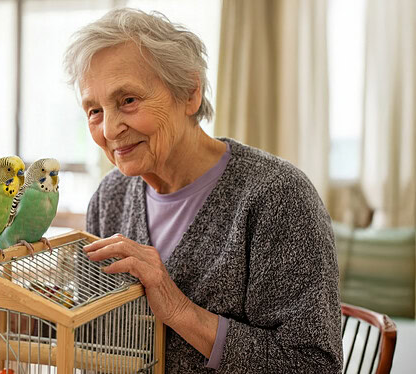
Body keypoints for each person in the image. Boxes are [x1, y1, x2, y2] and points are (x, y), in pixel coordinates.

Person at [64, 9, 342, 372]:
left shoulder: (277, 197)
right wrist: (22, 319)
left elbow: (313, 364)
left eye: (128, 100)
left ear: (190, 93)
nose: (111, 129)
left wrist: (178, 309)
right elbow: (96, 331)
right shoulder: (110, 196)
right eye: (94, 110)